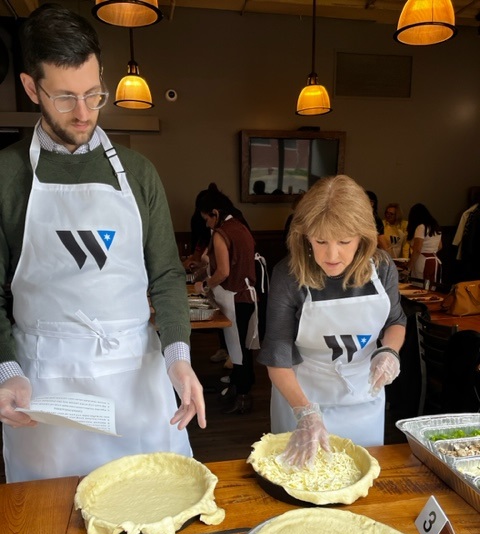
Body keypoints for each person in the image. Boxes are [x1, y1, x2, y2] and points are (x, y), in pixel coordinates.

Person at [0, 4, 205, 483]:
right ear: (32, 88)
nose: (84, 113)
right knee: (56, 523)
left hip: (136, 376)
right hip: (46, 385)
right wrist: (7, 369)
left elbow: (167, 275)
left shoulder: (137, 173)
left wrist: (178, 356)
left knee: (155, 501)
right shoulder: (7, 176)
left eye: (95, 94)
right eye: (66, 98)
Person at [257, 175, 406, 468]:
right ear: (304, 235)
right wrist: (305, 413)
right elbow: (278, 356)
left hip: (365, 396)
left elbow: (395, 320)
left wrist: (389, 352)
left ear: (363, 237)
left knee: (360, 477)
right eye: (320, 241)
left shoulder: (383, 268)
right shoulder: (288, 275)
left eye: (344, 241)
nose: (332, 254)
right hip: (302, 396)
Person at [194, 184, 258, 415]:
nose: (207, 224)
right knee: (242, 348)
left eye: (207, 219)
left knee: (237, 349)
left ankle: (242, 396)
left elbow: (223, 272)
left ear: (215, 213)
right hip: (247, 297)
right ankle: (238, 388)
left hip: (234, 297)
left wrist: (204, 285)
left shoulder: (222, 233)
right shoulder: (239, 227)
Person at [406, 203, 442, 284]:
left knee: (419, 287)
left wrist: (408, 267)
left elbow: (417, 250)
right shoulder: (435, 227)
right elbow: (440, 246)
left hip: (422, 261)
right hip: (435, 261)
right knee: (432, 288)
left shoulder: (421, 227)